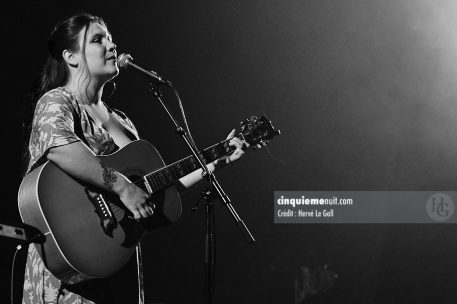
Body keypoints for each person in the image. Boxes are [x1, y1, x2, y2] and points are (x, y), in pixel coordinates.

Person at [21, 12, 248, 304]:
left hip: (117, 263)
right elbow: (61, 148)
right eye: (98, 39)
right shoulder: (58, 101)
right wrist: (123, 187)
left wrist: (216, 162)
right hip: (70, 268)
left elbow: (158, 188)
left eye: (111, 38)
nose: (111, 45)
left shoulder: (123, 121)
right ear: (71, 56)